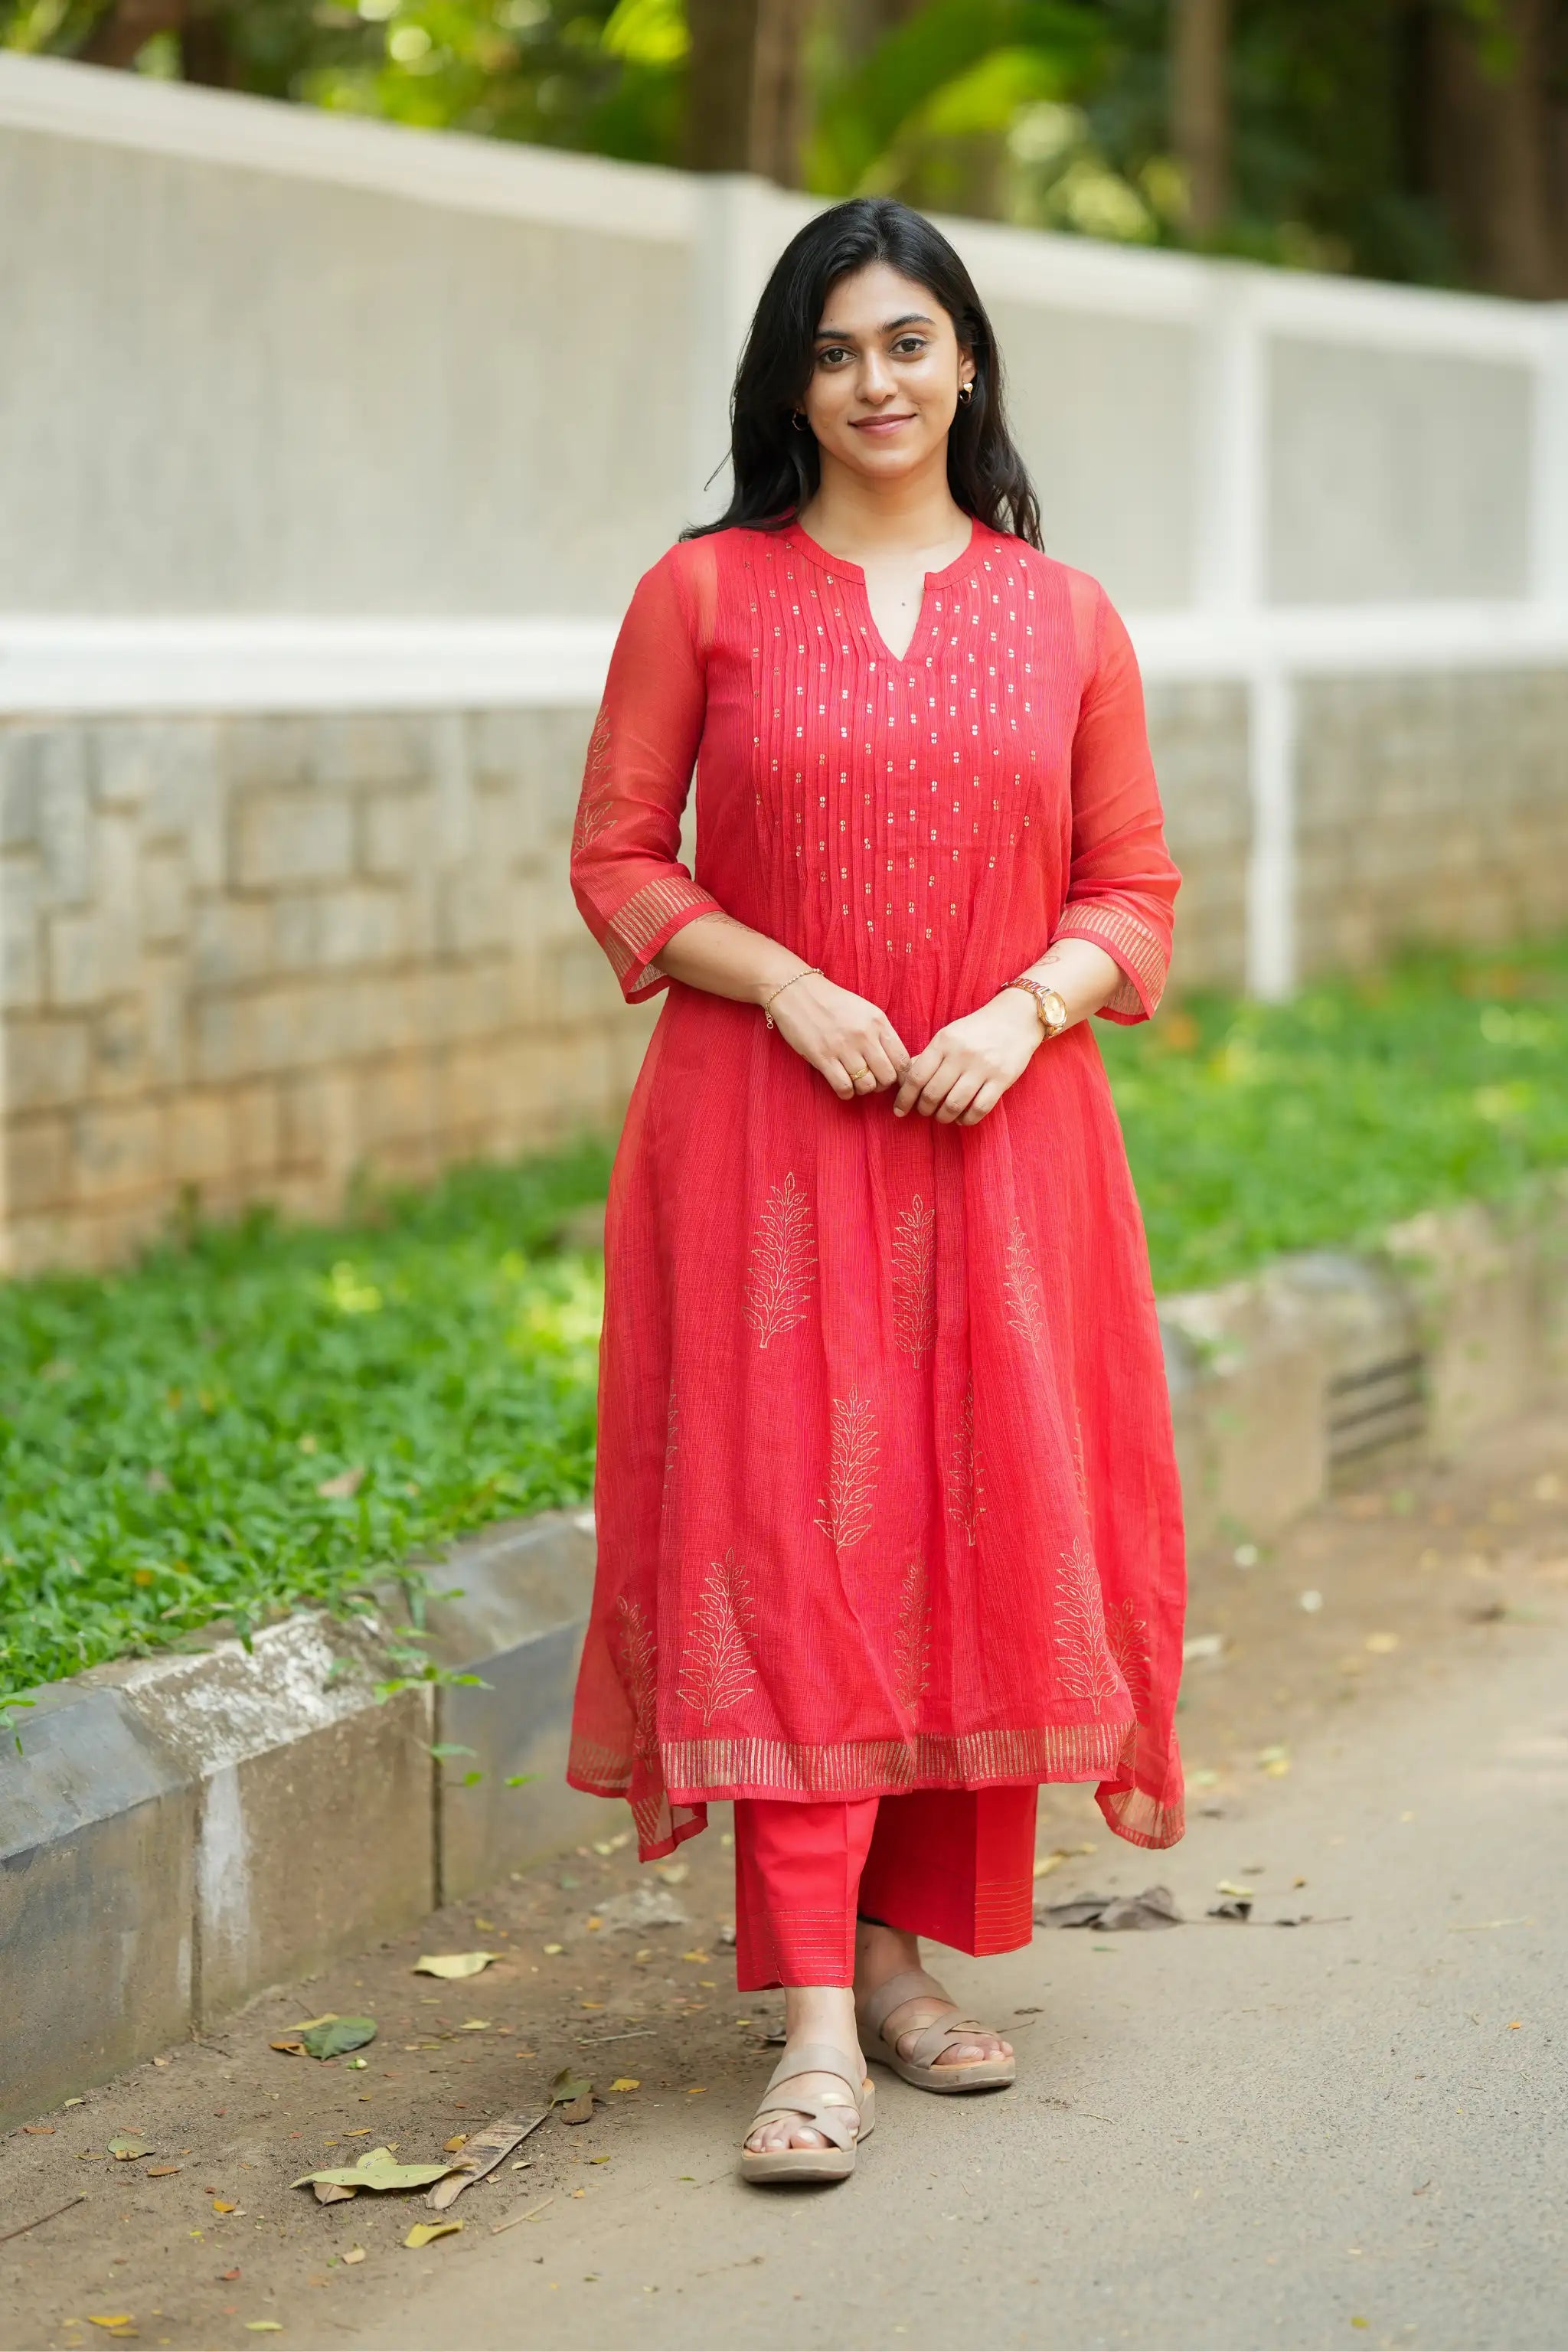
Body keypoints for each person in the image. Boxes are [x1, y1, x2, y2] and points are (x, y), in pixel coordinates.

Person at [565, 194, 1185, 2186]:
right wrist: (788, 982)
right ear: (791, 383)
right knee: (789, 1536)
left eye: (907, 341)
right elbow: (617, 859)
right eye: (834, 352)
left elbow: (1133, 890)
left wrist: (1024, 1011)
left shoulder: (1067, 614)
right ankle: (817, 2018)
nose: (874, 382)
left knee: (973, 1525)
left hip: (1006, 1142)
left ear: (966, 360)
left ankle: (908, 1962)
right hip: (765, 1138)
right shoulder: (704, 595)